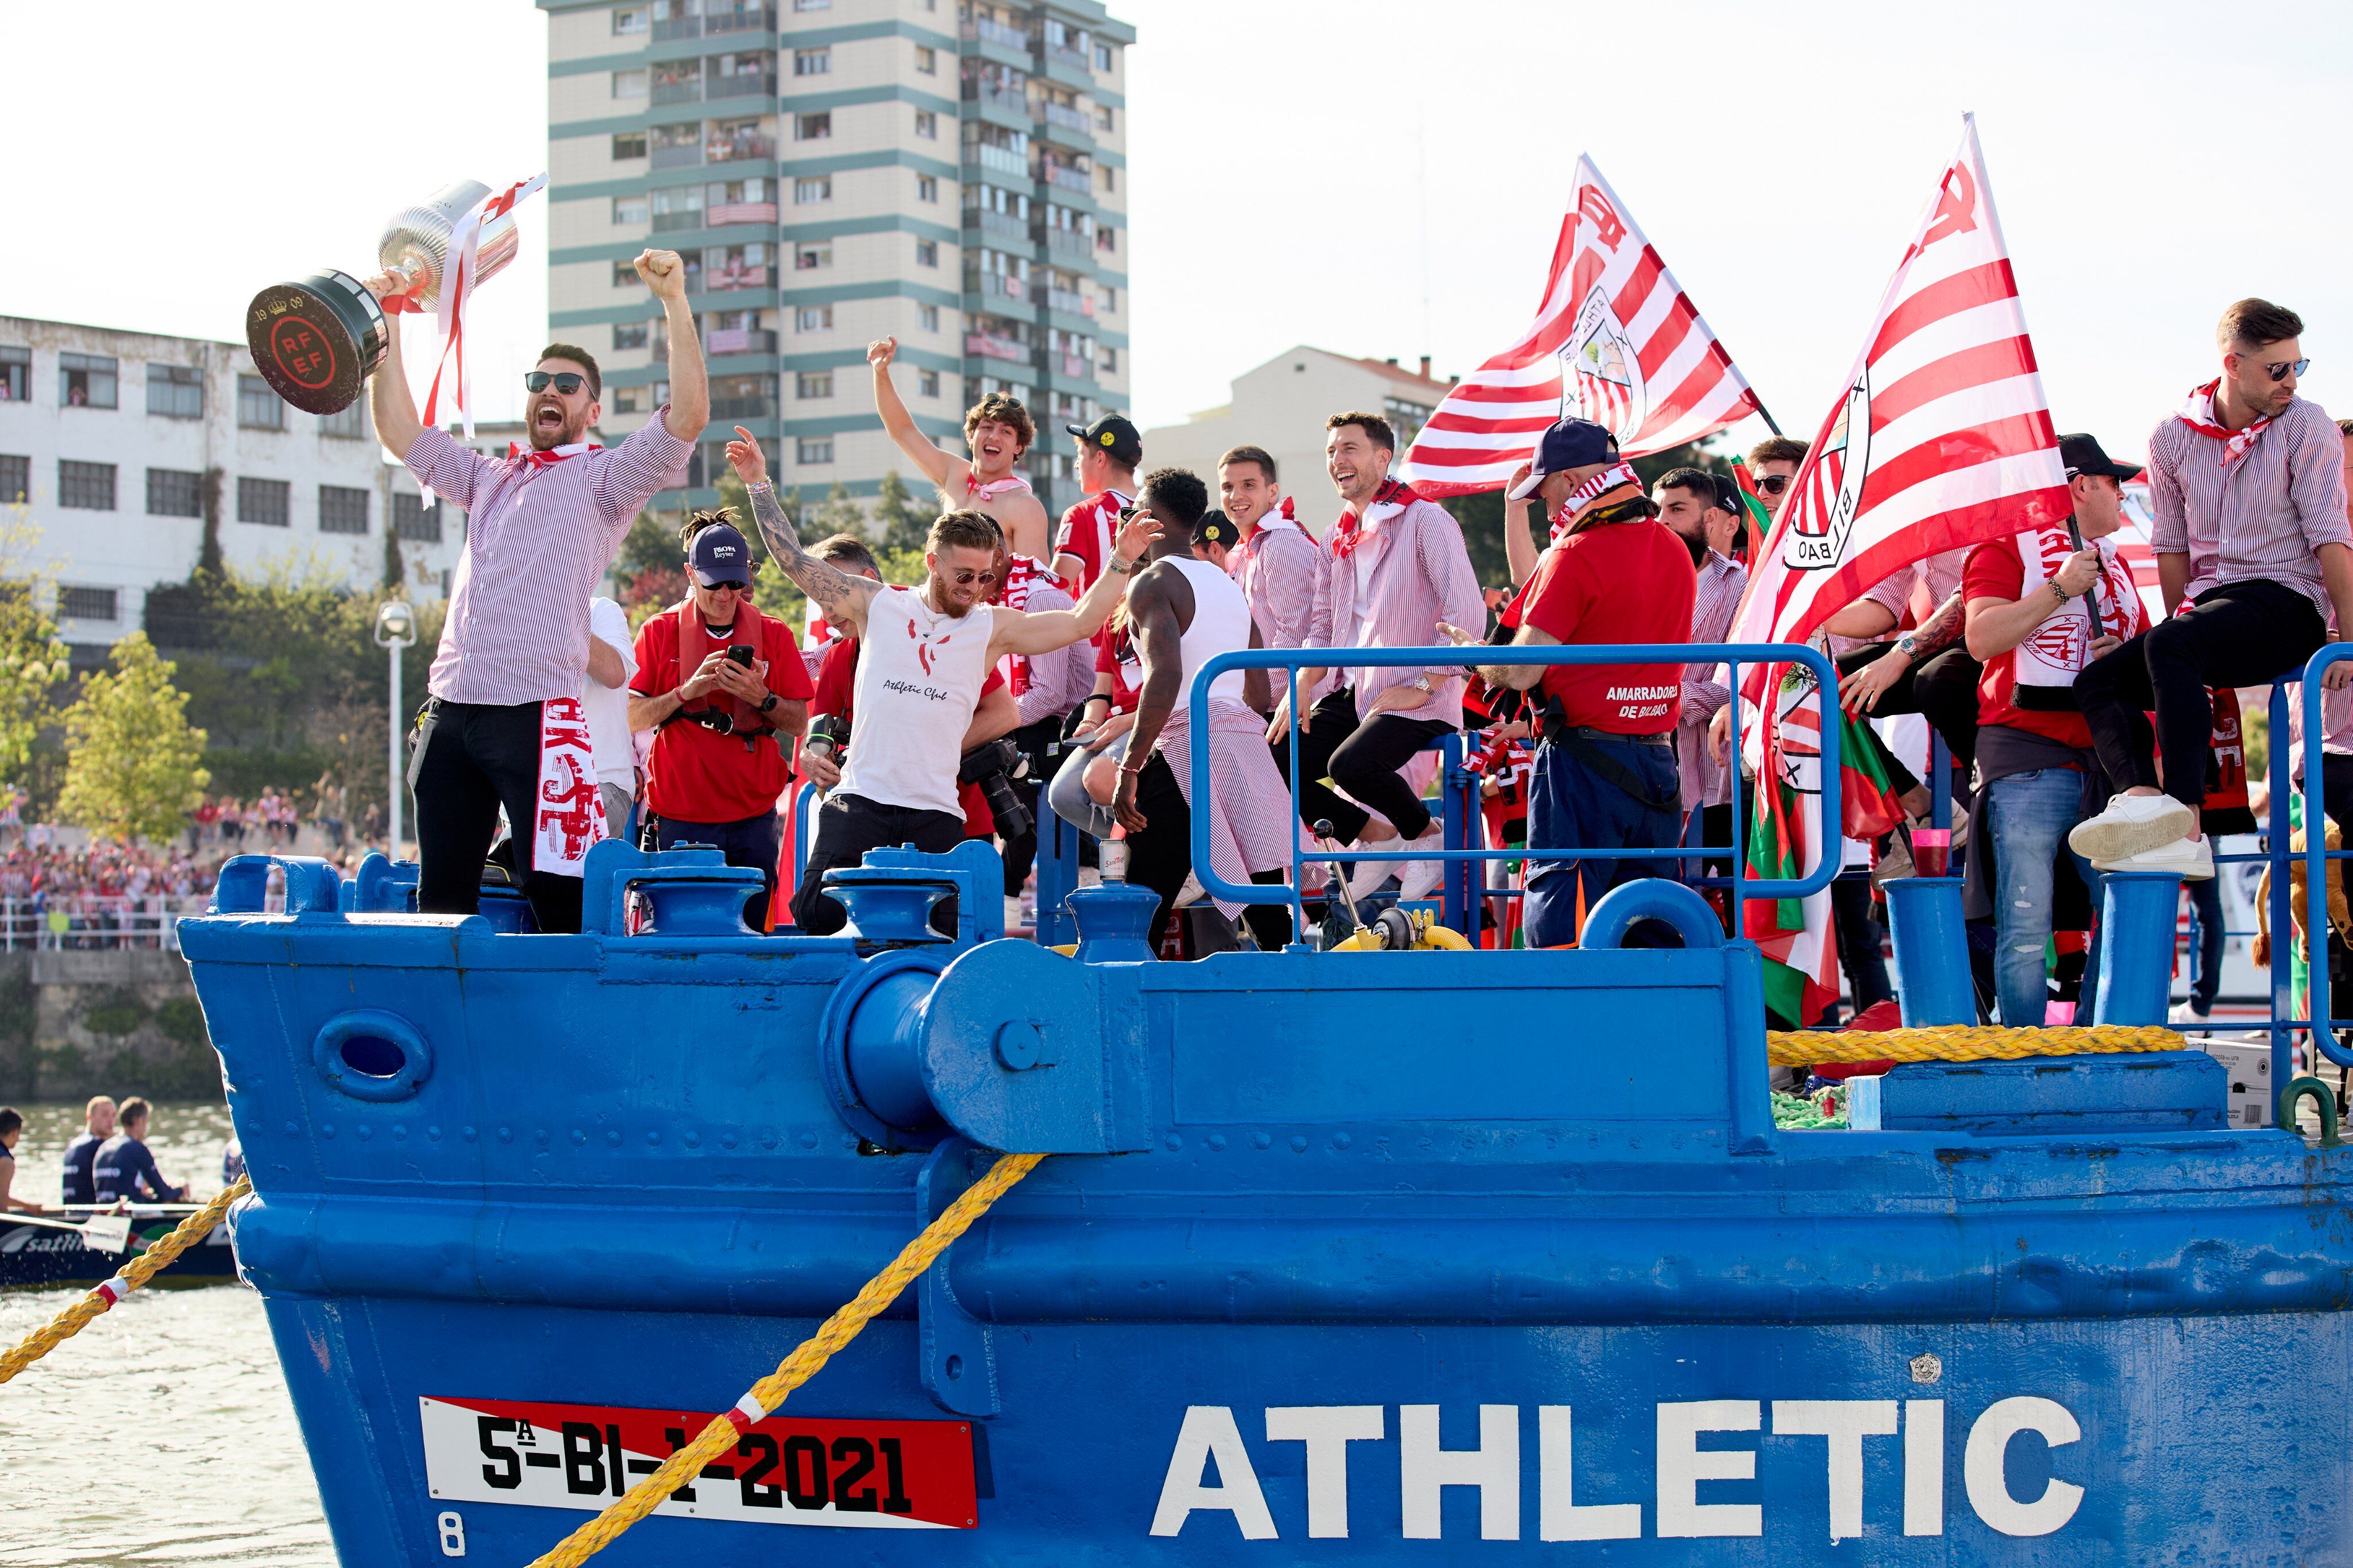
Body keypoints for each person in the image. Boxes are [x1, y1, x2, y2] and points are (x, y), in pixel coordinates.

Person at [371, 247, 704, 933]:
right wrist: (388, 322)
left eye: (569, 384)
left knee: (560, 902)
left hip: (535, 717)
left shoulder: (605, 480)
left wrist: (674, 301)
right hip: (450, 709)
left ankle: (577, 1030)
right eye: (540, 380)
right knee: (442, 904)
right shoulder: (489, 477)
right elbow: (400, 431)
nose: (550, 391)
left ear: (592, 407)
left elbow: (687, 420)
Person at [725, 432, 1158, 934]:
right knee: (818, 918)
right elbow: (794, 562)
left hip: (936, 811)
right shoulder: (878, 604)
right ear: (933, 563)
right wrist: (759, 484)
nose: (974, 588)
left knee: (943, 935)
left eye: (982, 576)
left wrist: (1122, 560)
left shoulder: (991, 625)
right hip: (862, 799)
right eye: (962, 575)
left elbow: (1083, 622)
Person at [2072, 299, 2353, 880]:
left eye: (2299, 366)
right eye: (2278, 369)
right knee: (2099, 679)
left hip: (2288, 601)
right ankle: (2147, 805)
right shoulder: (2171, 435)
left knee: (2172, 646)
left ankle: (2187, 825)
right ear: (2233, 364)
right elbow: (2170, 546)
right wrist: (2171, 635)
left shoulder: (2308, 424)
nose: (2291, 381)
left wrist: (2346, 641)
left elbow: (2331, 538)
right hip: (2216, 610)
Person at [1476, 418, 1695, 949]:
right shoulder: (1673, 549)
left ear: (1572, 483)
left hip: (1581, 769)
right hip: (1659, 767)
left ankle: (1565, 1034)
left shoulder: (1574, 555)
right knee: (1650, 926)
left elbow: (1522, 670)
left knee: (1563, 926)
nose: (1549, 510)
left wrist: (1478, 658)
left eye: (1547, 492)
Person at [1961, 432, 2151, 1026]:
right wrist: (2060, 588)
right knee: (2024, 925)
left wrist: (2125, 654)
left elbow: (2147, 654)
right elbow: (1981, 638)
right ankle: (2024, 1057)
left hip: (2109, 769)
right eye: (2115, 483)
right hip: (2025, 760)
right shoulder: (2000, 546)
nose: (2124, 498)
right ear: (2080, 486)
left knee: (2118, 918)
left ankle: (2095, 1047)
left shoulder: (2116, 566)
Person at [1273, 411, 1484, 902]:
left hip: (1421, 696)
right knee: (1273, 758)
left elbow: (1467, 612)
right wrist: (1302, 682)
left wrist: (1425, 684)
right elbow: (1323, 628)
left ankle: (1427, 835)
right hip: (1360, 691)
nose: (1337, 460)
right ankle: (1383, 836)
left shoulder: (1427, 518)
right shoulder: (1334, 536)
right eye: (1331, 451)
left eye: (1349, 448)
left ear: (1383, 458)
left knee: (1350, 765)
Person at [1107, 471, 1292, 951]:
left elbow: (1164, 677)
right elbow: (1258, 692)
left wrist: (1130, 765)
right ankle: (1306, 1005)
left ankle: (1127, 1017)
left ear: (1150, 516)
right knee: (1267, 906)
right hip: (1242, 752)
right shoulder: (1228, 584)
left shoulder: (1153, 581)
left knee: (1139, 907)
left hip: (1186, 749)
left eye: (1135, 511)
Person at [626, 502, 814, 929]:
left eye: (735, 583)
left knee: (749, 933)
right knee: (681, 933)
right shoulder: (658, 632)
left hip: (753, 816)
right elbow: (632, 717)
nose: (726, 595)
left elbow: (799, 721)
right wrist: (685, 691)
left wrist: (761, 697)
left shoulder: (774, 633)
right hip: (681, 815)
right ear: (690, 576)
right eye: (714, 585)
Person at [867, 337, 1052, 563]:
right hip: (939, 596)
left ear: (1019, 446)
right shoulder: (954, 473)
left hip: (992, 601)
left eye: (1006, 432)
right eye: (986, 427)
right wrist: (881, 372)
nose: (994, 436)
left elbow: (1037, 586)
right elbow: (902, 430)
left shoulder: (1026, 506)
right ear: (971, 435)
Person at [1653, 469, 1748, 878]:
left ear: (1710, 519)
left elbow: (1747, 679)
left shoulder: (1741, 585)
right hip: (1644, 766)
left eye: (1677, 508)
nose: (1664, 521)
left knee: (1733, 899)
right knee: (1649, 894)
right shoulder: (1635, 579)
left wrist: (1672, 696)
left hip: (1716, 773)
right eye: (1657, 510)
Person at [1219, 445, 1321, 674]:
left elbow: (1297, 636)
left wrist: (1253, 702)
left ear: (1272, 492)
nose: (1236, 496)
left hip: (1295, 702)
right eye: (1228, 487)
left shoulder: (1281, 544)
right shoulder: (1253, 546)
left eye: (1249, 485)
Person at [1051, 414, 1143, 591]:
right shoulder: (1160, 512)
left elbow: (1055, 593)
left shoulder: (1082, 514)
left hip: (1096, 619)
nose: (1076, 465)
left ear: (1100, 459)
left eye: (1080, 454)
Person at [583, 594, 638, 838]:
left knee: (561, 834)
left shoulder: (600, 610)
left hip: (601, 784)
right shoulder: (509, 620)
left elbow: (614, 675)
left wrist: (555, 616)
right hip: (528, 788)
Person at [93, 1098, 184, 1204]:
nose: (146, 1128)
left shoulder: (103, 1147)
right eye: (147, 1122)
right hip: (130, 1214)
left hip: (104, 1212)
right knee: (171, 1201)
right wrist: (182, 1189)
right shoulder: (138, 1149)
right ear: (140, 1121)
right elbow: (165, 1194)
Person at [60, 1094, 114, 1206]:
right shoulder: (98, 1145)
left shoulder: (73, 1144)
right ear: (90, 1117)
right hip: (90, 1215)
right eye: (105, 1115)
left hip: (70, 1211)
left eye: (113, 1115)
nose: (111, 1120)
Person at [0, 1107, 38, 1214]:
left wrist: (28, 1206)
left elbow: (2, 1197)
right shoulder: (6, 1162)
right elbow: (1, 1208)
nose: (18, 1139)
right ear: (14, 1133)